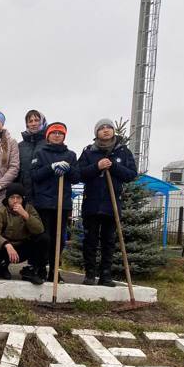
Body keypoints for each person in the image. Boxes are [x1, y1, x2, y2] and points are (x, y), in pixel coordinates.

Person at [78, 118, 138, 286]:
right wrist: (97, 166)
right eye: (101, 128)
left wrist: (113, 167)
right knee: (90, 240)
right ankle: (89, 274)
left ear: (113, 131)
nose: (105, 130)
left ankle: (105, 275)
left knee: (109, 241)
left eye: (109, 127)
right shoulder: (89, 152)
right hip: (92, 204)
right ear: (96, 133)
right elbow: (79, 174)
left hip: (112, 204)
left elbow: (132, 175)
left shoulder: (122, 152)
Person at [31, 122, 80, 282]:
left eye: (60, 133)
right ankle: (40, 268)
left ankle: (54, 270)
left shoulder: (71, 155)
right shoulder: (40, 153)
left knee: (58, 240)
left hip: (62, 203)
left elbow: (76, 178)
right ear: (48, 136)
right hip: (44, 203)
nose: (57, 135)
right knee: (44, 238)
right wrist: (50, 167)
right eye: (54, 133)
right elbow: (35, 176)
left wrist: (69, 169)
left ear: (64, 136)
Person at [0, 183, 50, 284]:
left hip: (24, 247)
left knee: (44, 238)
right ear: (7, 199)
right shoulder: (1, 211)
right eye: (12, 197)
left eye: (18, 198)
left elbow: (39, 229)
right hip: (7, 248)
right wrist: (6, 244)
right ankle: (2, 267)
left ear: (23, 199)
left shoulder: (29, 209)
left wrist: (26, 215)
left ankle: (36, 269)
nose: (15, 201)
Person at [17, 109, 47, 202]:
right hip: (25, 194)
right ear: (27, 124)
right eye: (30, 121)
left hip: (45, 195)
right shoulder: (20, 146)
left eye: (37, 120)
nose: (33, 124)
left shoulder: (49, 143)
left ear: (42, 122)